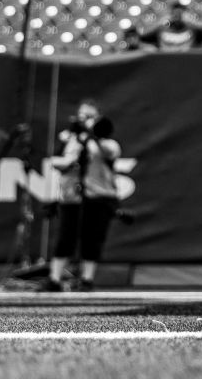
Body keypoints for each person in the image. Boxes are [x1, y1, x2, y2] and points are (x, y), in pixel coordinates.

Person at [43, 99, 121, 291]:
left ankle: (87, 279)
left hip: (97, 197)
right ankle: (55, 278)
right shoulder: (69, 140)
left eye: (89, 116)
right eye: (81, 116)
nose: (84, 120)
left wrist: (92, 136)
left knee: (92, 237)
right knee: (66, 236)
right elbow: (57, 162)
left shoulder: (105, 142)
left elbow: (110, 153)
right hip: (72, 196)